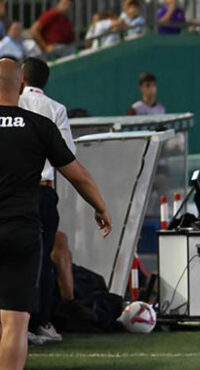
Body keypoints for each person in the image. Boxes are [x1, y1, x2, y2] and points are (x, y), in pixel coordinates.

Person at [0, 58, 112, 370]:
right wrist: (100, 207)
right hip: (23, 231)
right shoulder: (40, 125)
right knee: (15, 324)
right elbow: (79, 175)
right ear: (21, 86)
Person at [17, 57, 75, 345]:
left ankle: (15, 324)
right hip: (42, 189)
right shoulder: (56, 109)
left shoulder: (10, 105)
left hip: (12, 191)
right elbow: (65, 155)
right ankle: (41, 322)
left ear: (22, 79)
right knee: (42, 259)